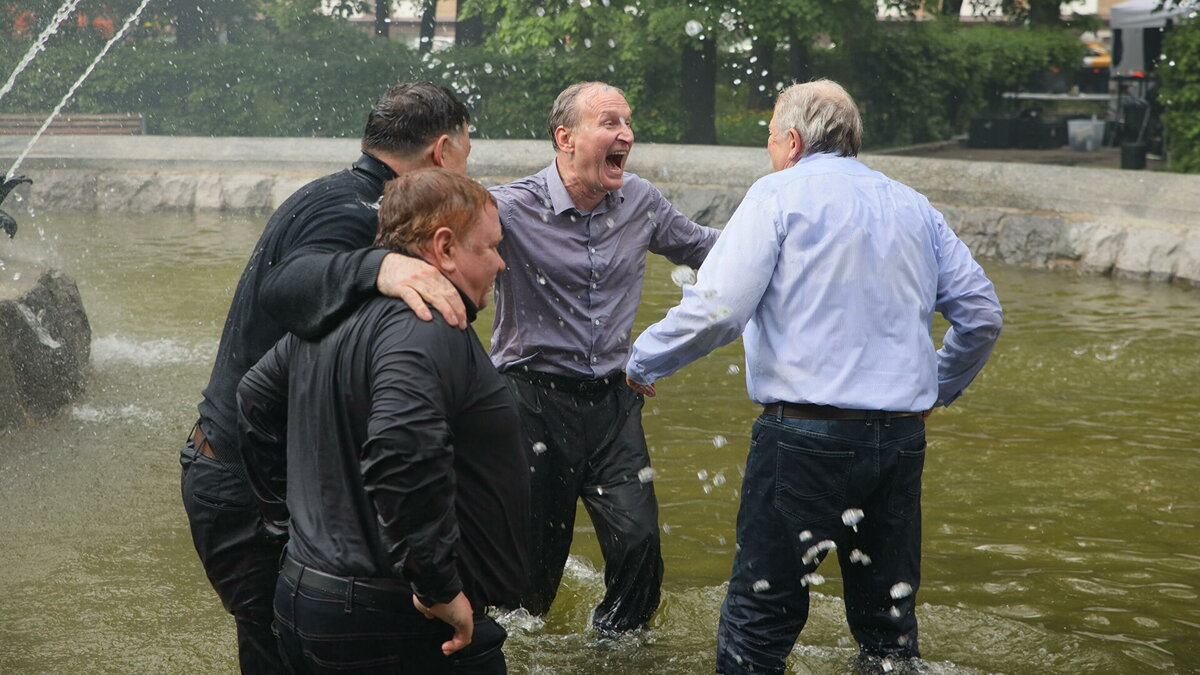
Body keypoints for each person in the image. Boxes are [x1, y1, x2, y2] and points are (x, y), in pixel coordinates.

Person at [624, 80, 1003, 675]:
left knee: (759, 619)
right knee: (888, 628)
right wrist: (936, 388)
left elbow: (720, 309)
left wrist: (641, 360)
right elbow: (982, 315)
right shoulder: (913, 204)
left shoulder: (778, 193)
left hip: (803, 440)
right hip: (899, 441)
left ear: (793, 141)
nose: (769, 151)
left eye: (770, 138)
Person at [179, 82, 471, 673]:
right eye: (468, 152)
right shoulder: (350, 213)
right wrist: (382, 265)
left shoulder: (345, 195)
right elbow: (286, 288)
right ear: (442, 152)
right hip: (244, 483)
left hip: (240, 470)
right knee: (282, 652)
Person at [237, 168, 527, 674]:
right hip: (401, 623)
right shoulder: (427, 327)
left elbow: (255, 399)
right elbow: (401, 446)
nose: (501, 263)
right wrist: (436, 585)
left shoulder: (329, 317)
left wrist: (286, 521)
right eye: (490, 247)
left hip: (309, 597)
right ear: (444, 248)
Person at [487, 81, 721, 634]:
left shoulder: (641, 201)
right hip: (530, 402)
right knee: (534, 568)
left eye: (628, 123)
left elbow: (713, 251)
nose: (627, 135)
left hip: (615, 402)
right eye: (610, 123)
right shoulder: (511, 208)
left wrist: (790, 237)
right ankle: (520, 652)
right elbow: (433, 237)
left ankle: (617, 653)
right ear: (565, 137)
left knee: (640, 543)